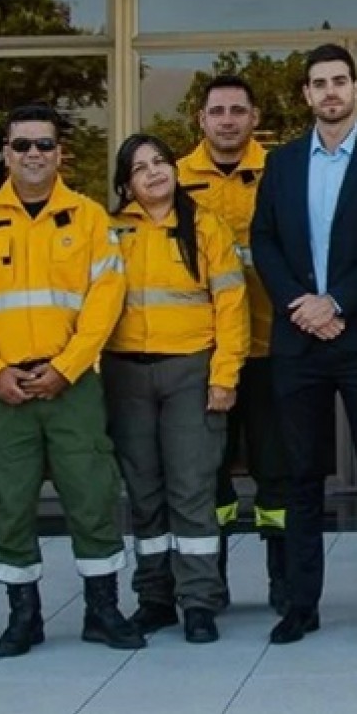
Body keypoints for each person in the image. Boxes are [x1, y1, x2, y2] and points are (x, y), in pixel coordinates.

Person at [0, 103, 139, 656]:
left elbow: (106, 300)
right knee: (8, 501)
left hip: (70, 385)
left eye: (44, 145)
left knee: (93, 495)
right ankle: (22, 616)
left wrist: (68, 367)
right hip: (2, 389)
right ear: (6, 152)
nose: (33, 154)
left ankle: (103, 609)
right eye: (22, 145)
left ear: (60, 153)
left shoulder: (89, 218)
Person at [249, 44, 357, 646]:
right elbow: (263, 240)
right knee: (300, 478)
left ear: (355, 90)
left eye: (339, 81)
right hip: (299, 339)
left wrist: (336, 302)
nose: (330, 92)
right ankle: (301, 605)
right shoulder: (283, 163)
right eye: (318, 83)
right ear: (305, 96)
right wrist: (304, 304)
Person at [106, 134, 250, 644]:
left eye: (160, 161)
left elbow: (232, 306)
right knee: (145, 495)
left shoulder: (204, 226)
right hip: (126, 374)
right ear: (126, 183)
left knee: (191, 492)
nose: (153, 172)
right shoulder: (110, 232)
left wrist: (224, 377)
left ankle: (199, 602)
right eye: (140, 167)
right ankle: (155, 598)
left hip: (191, 370)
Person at [176, 74, 291, 614]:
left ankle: (284, 584)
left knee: (277, 472)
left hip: (272, 349)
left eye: (237, 111)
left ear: (254, 117)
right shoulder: (173, 179)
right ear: (201, 119)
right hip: (204, 355)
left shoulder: (282, 173)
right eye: (217, 111)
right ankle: (209, 585)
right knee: (207, 474)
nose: (227, 120)